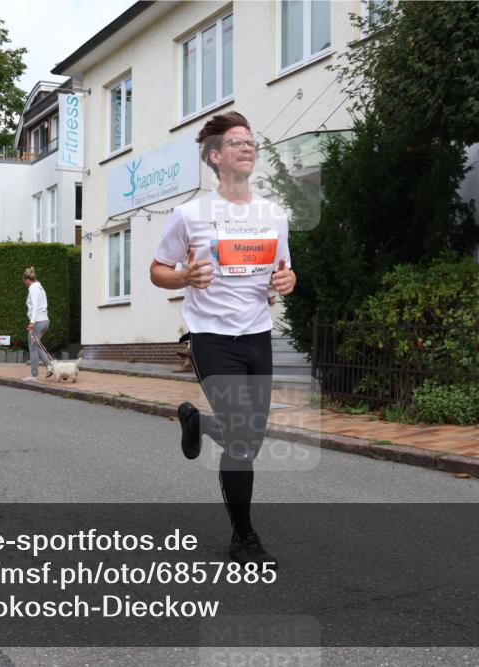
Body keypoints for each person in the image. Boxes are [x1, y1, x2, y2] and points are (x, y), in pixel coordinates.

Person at [150, 111, 296, 568]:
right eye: (235, 142)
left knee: (249, 437)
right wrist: (184, 276)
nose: (247, 147)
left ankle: (197, 422)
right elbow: (158, 271)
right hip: (212, 336)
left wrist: (286, 282)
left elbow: (282, 272)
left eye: (250, 140)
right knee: (241, 438)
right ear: (215, 156)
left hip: (257, 335)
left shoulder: (273, 215)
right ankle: (244, 536)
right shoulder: (189, 215)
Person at [22, 267, 49, 381]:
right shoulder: (40, 287)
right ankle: (51, 366)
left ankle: (34, 375)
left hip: (37, 321)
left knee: (32, 348)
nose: (25, 284)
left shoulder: (33, 288)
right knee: (36, 346)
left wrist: (32, 322)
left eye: (24, 282)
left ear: (27, 280)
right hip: (45, 321)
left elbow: (35, 306)